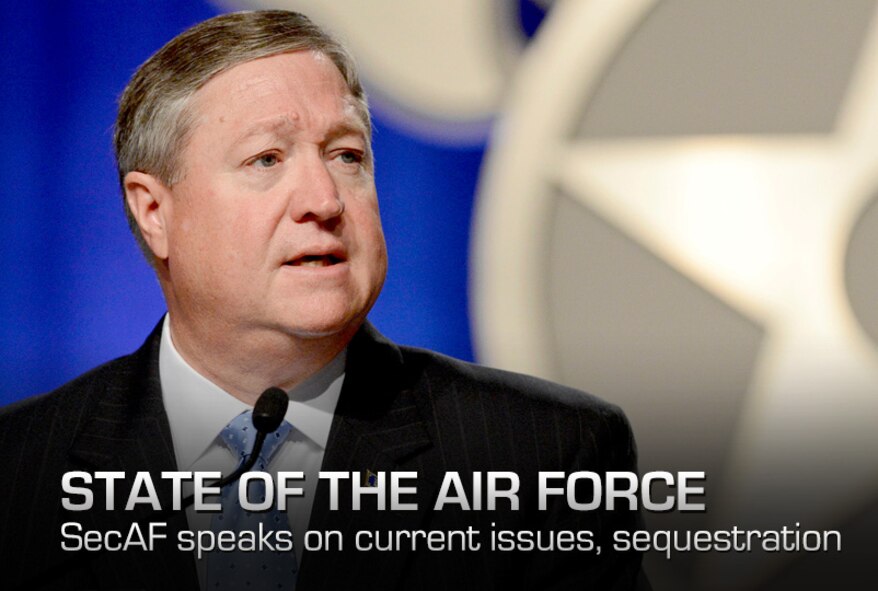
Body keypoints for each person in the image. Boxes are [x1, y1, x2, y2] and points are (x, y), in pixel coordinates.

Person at [0, 10, 649, 590]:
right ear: (154, 212)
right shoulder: (20, 473)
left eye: (346, 155)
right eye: (266, 159)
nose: (324, 199)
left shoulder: (545, 460)